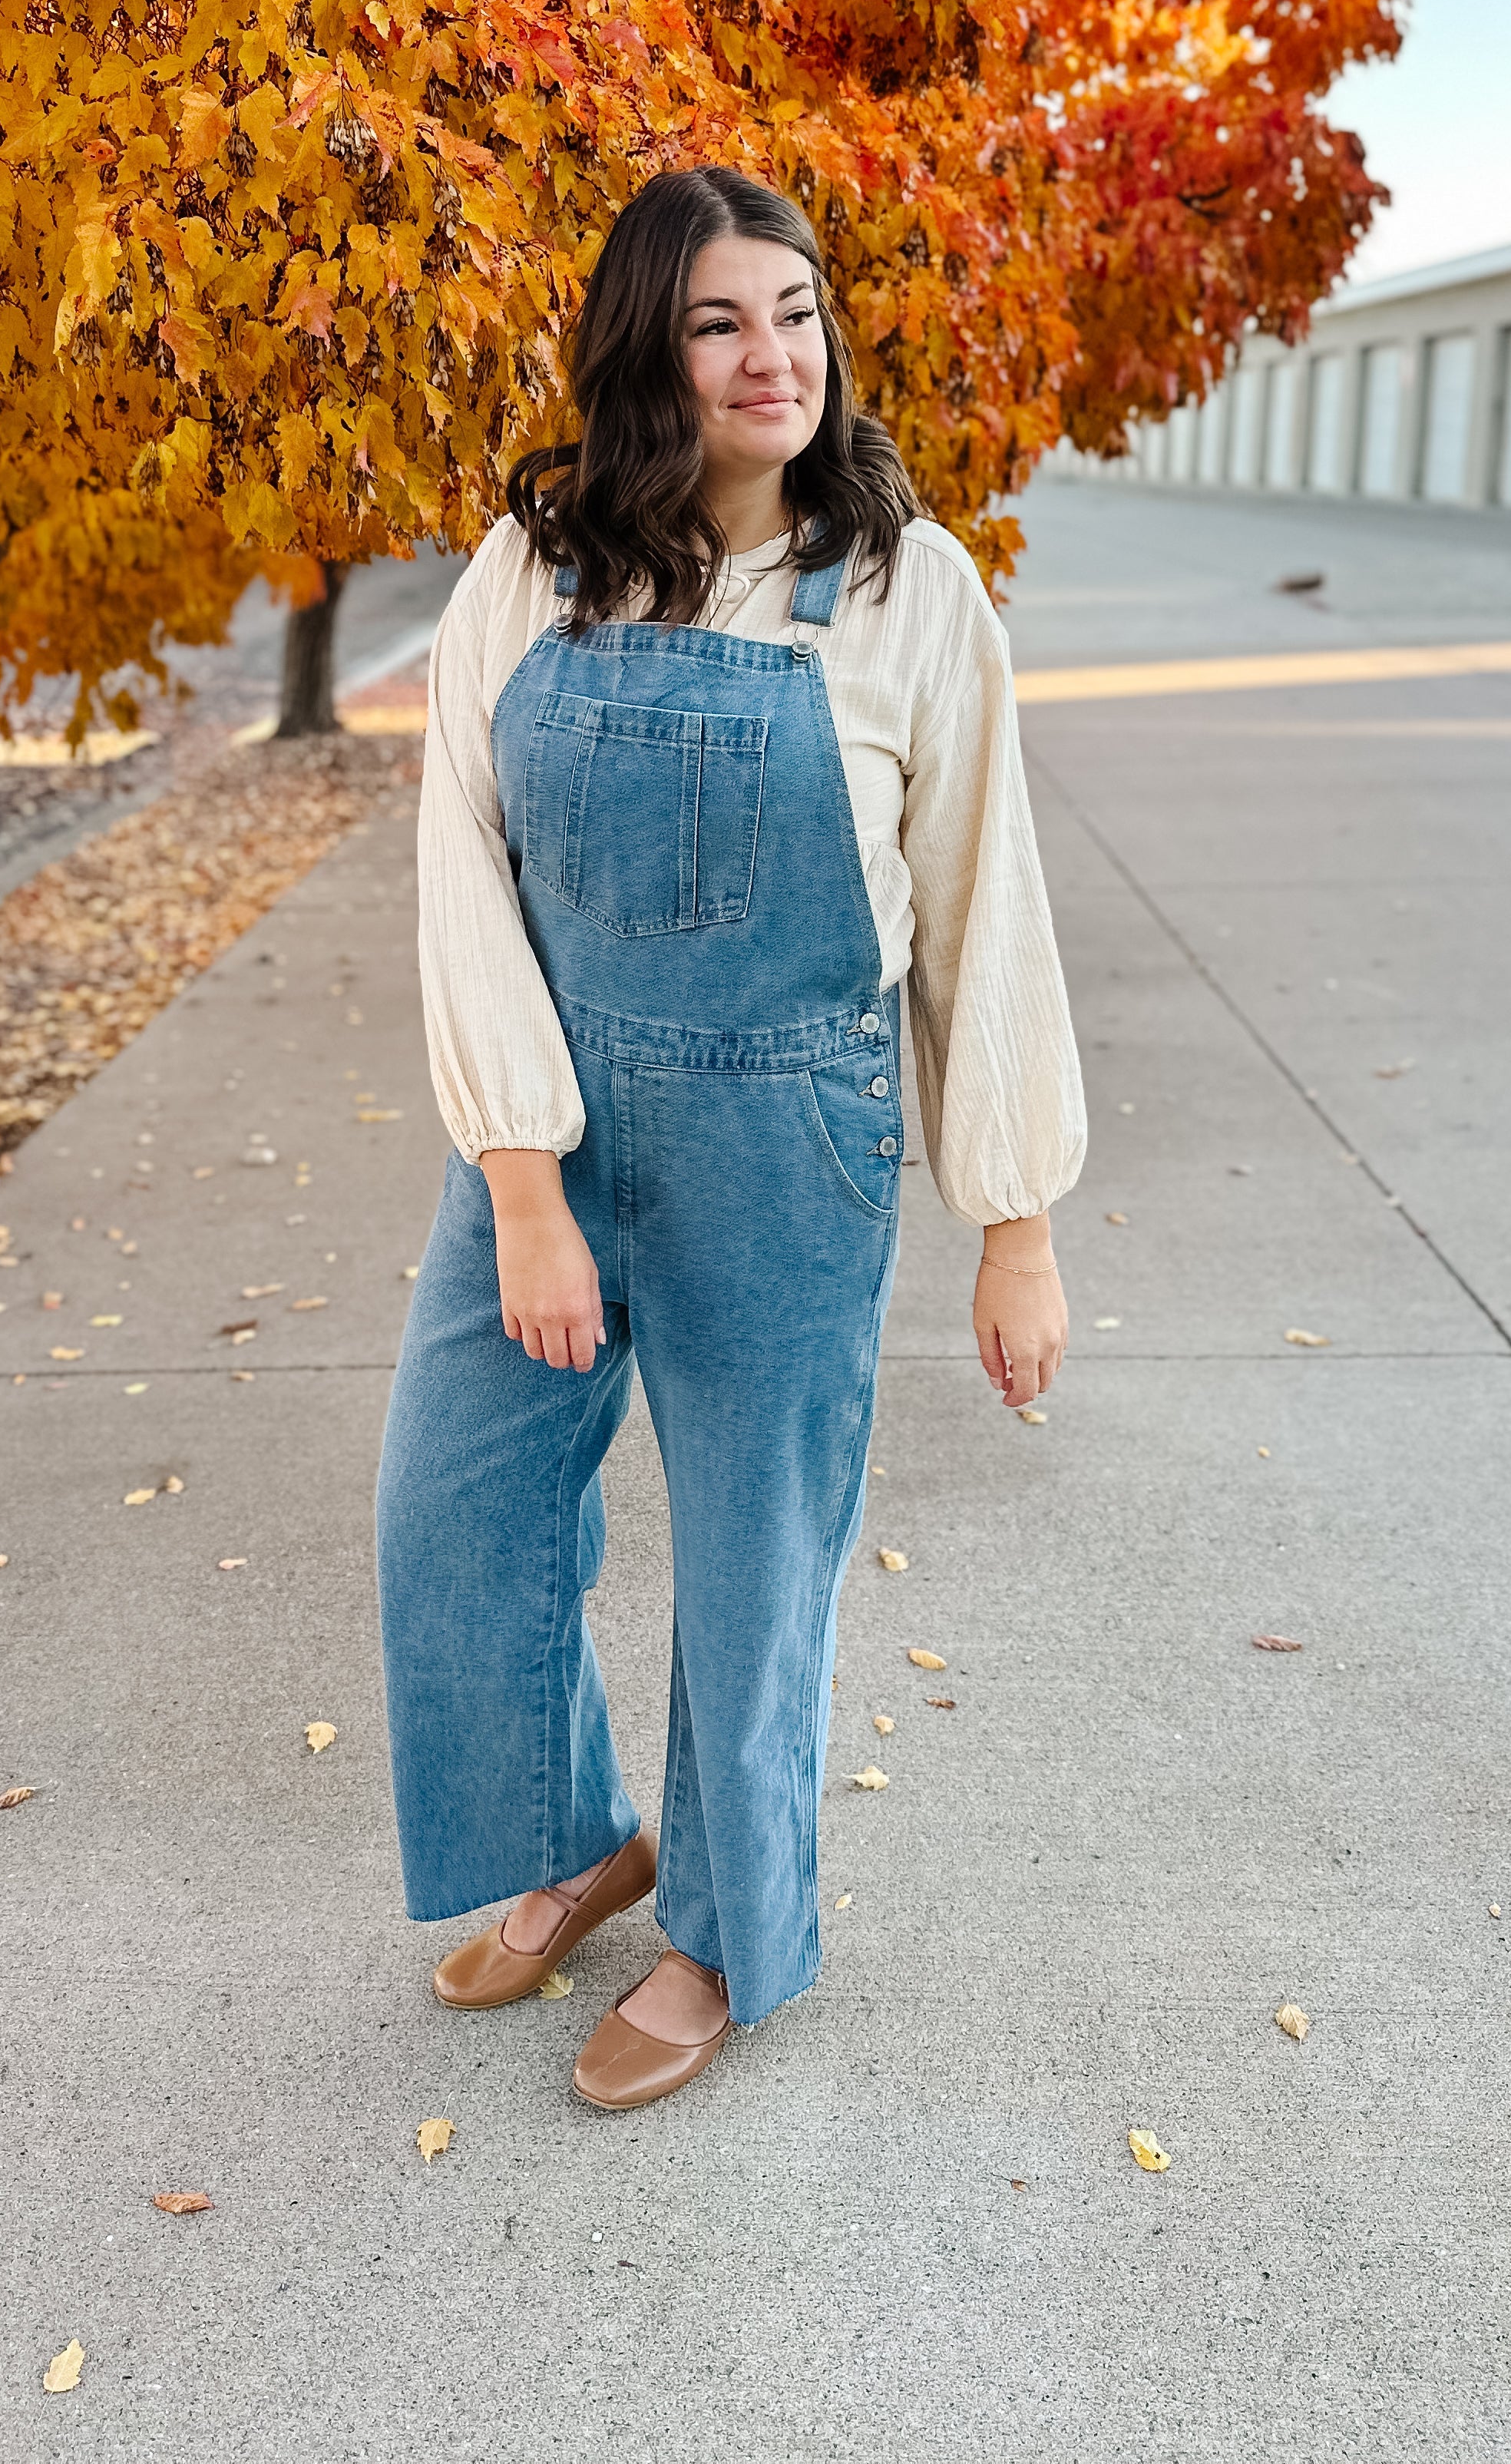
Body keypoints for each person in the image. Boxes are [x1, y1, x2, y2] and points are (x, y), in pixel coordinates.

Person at [376, 166, 1084, 2109]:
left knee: (758, 1558)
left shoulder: (914, 593)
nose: (771, 354)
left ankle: (726, 1932)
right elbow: (463, 866)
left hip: (792, 1131)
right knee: (454, 1503)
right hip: (559, 1116)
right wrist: (525, 1183)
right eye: (716, 320)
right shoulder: (530, 573)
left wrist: (1011, 1222)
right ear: (645, 352)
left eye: (794, 308)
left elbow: (985, 903)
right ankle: (582, 1839)